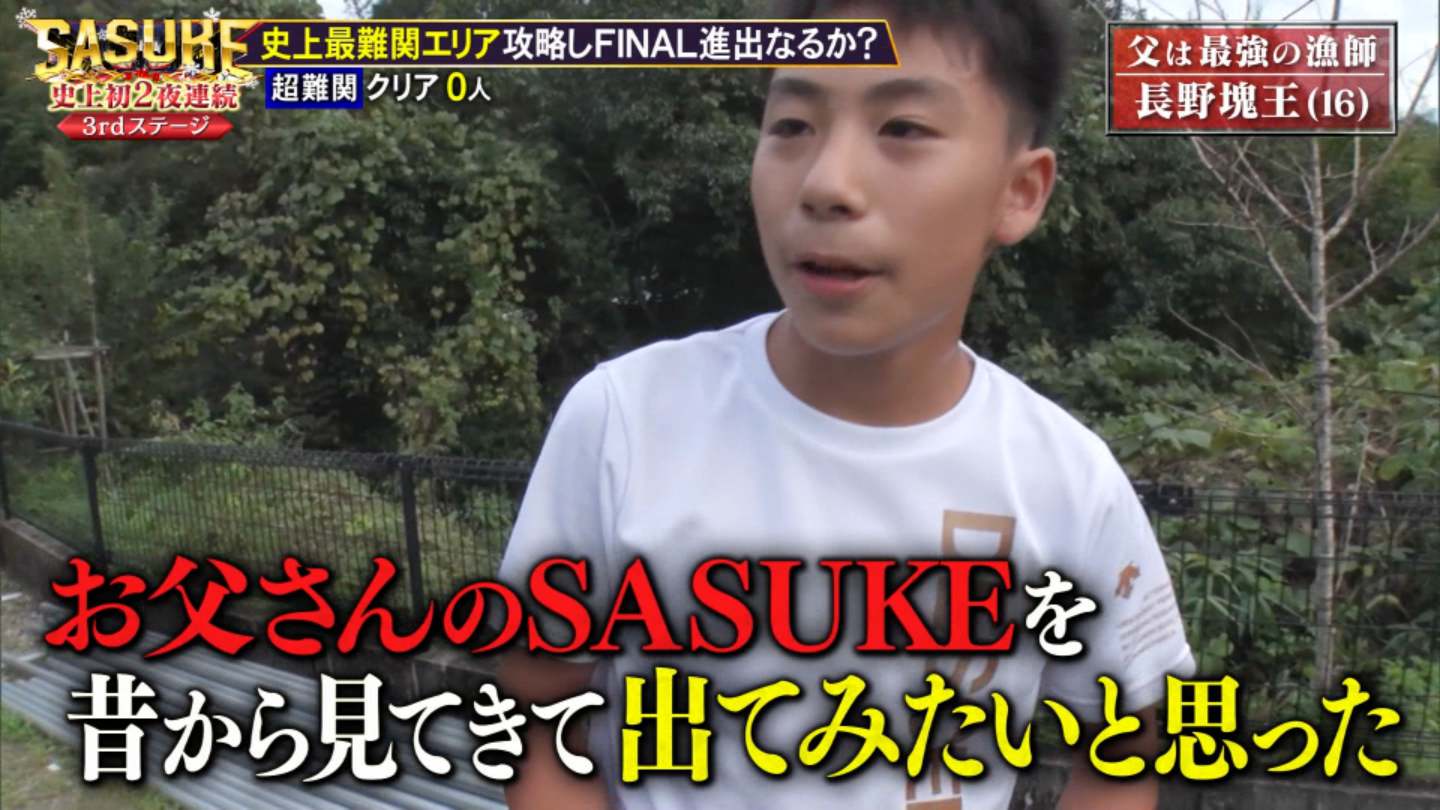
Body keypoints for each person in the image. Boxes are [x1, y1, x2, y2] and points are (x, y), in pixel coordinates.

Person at [497, 2, 1196, 808]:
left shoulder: (1067, 480)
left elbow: (1129, 749)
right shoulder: (627, 419)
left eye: (903, 128)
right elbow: (537, 708)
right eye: (793, 125)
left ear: (1019, 191)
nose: (826, 184)